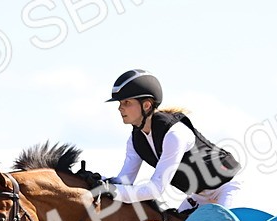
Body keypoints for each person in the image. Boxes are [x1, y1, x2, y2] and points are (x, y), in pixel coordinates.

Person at [94, 69, 242, 211]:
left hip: (228, 186)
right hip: (198, 196)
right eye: (120, 103)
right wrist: (97, 181)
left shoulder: (174, 134)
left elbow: (155, 190)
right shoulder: (135, 140)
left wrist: (110, 189)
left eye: (126, 103)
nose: (120, 108)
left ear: (146, 105)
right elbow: (124, 182)